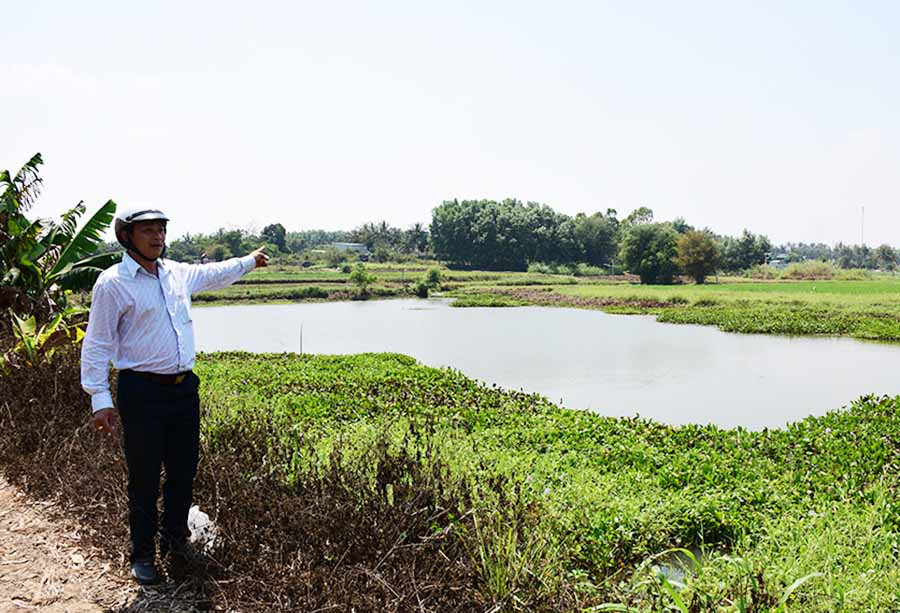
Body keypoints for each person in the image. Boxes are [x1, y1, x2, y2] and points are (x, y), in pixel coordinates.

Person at [80, 207, 268, 585]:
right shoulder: (112, 283)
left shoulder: (176, 273)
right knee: (145, 476)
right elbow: (97, 344)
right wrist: (99, 397)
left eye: (161, 230)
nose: (157, 237)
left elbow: (216, 274)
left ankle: (175, 542)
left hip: (184, 390)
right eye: (147, 231)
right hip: (141, 391)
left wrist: (249, 261)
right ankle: (143, 554)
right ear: (127, 236)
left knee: (184, 471)